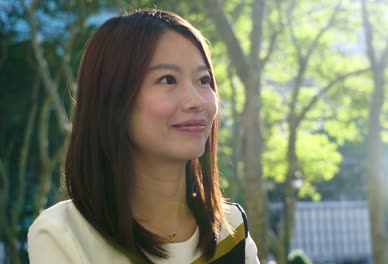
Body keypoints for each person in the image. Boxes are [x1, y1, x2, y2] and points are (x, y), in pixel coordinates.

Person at [27, 9, 259, 264]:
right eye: (168, 79)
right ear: (112, 101)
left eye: (204, 80)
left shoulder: (232, 228)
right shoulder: (63, 235)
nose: (196, 101)